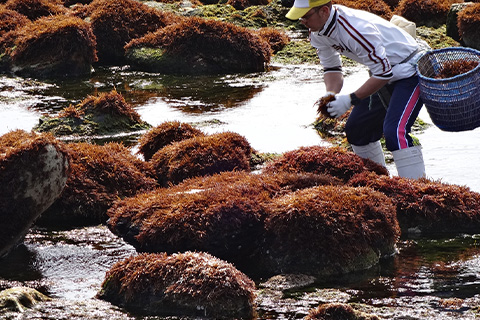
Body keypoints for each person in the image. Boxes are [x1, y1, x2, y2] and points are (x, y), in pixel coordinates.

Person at [286, 0, 428, 179]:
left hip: (410, 71)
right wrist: (331, 94)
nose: (302, 21)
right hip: (385, 75)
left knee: (395, 131)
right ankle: (380, 182)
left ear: (323, 11)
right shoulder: (317, 33)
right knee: (357, 129)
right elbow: (332, 69)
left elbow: (383, 73)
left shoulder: (355, 30)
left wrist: (350, 99)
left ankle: (416, 191)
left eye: (305, 16)